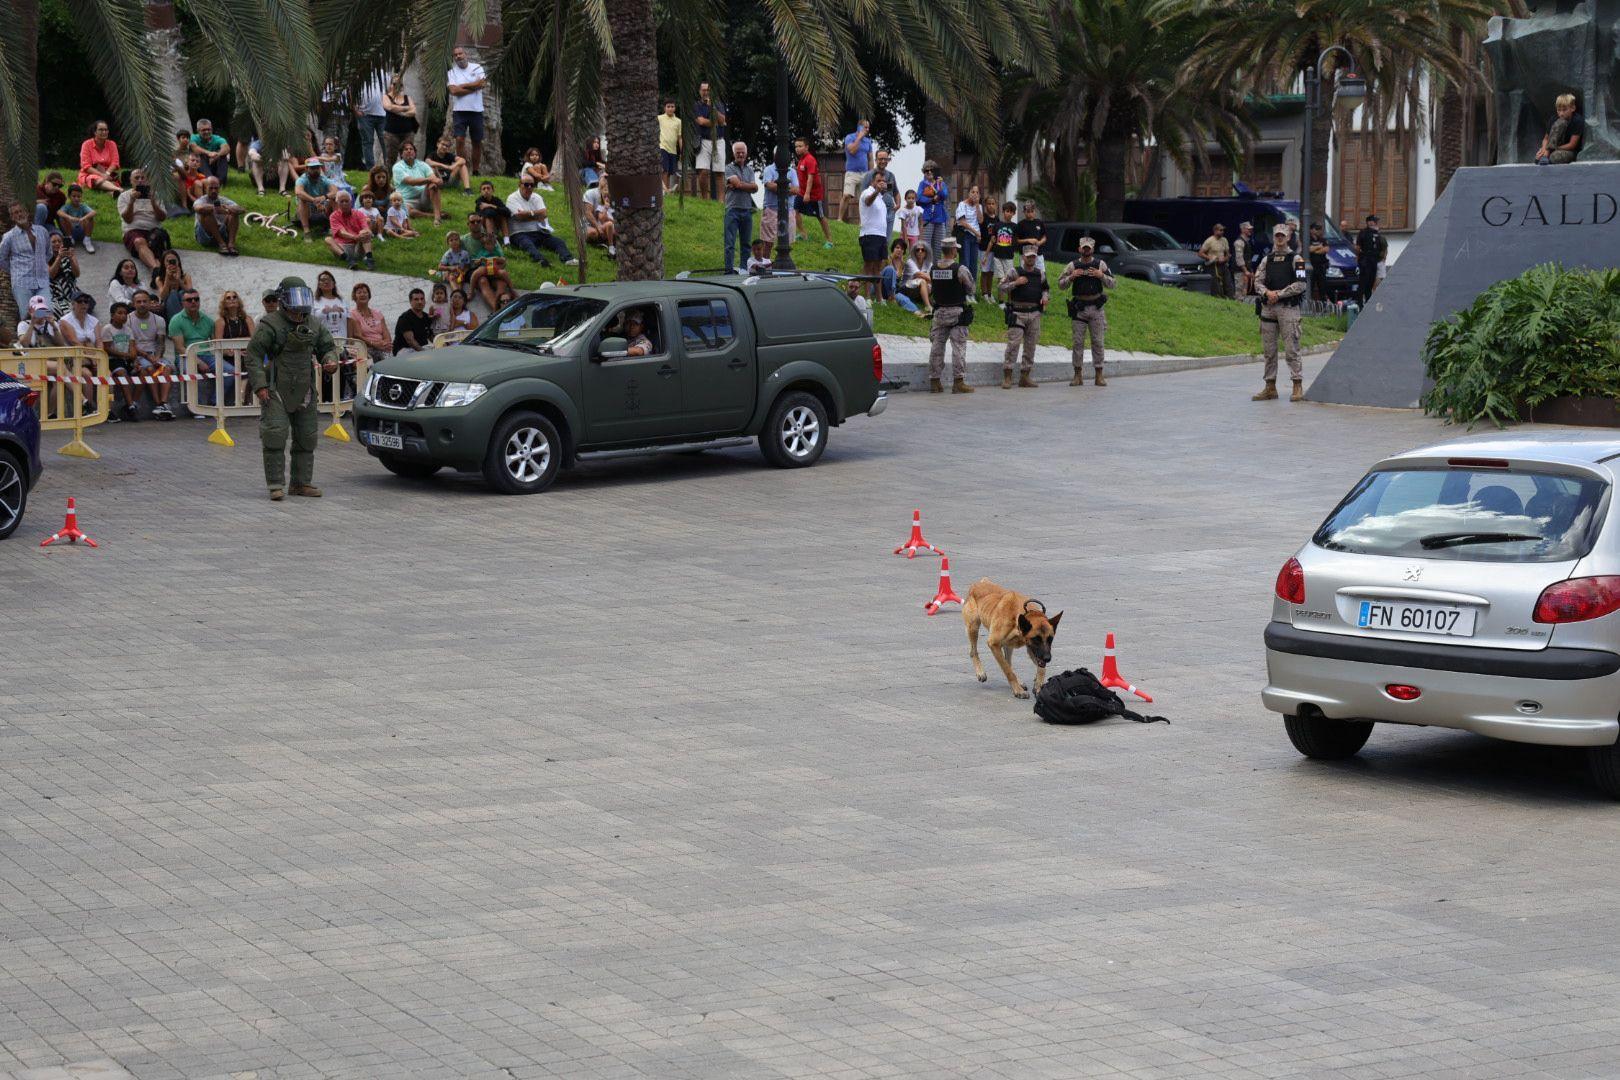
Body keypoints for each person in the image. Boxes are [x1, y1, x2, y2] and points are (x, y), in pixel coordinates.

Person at [246, 277, 341, 500]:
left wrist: (330, 360)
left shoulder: (314, 324)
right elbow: (253, 355)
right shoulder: (270, 324)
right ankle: (275, 485)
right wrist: (260, 385)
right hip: (276, 388)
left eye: (302, 297)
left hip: (305, 389)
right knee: (275, 434)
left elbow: (327, 346)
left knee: (307, 436)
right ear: (283, 300)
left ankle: (301, 483)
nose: (299, 305)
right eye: (294, 298)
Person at [1251, 224, 1308, 401]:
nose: (1280, 238)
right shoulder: (1266, 259)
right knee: (1269, 350)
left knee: (1291, 349)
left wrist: (1279, 294)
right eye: (1277, 235)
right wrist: (1267, 293)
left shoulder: (1297, 259)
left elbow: (1301, 284)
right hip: (1268, 308)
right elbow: (1257, 282)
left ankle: (1297, 385)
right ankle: (1270, 386)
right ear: (1274, 237)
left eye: (1283, 235)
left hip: (1288, 308)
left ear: (1289, 237)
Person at [1057, 235, 1114, 387]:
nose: (1086, 250)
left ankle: (1099, 375)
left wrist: (1101, 276)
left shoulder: (1100, 264)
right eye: (1084, 248)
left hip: (1096, 308)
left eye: (1088, 248)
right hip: (1079, 308)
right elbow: (1060, 284)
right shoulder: (1073, 265)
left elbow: (1113, 283)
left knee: (1098, 342)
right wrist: (1071, 277)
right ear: (1079, 249)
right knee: (1077, 343)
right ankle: (1077, 375)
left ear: (1093, 249)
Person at [927, 237, 976, 394]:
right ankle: (958, 382)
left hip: (939, 313)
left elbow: (932, 288)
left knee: (937, 347)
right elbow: (971, 289)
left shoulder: (933, 268)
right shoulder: (960, 269)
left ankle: (935, 381)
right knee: (959, 347)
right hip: (956, 313)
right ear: (954, 250)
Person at [999, 244, 1048, 389]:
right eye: (1028, 257)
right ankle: (1007, 376)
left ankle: (1025, 377)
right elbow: (1001, 287)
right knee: (1013, 344)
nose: (1031, 259)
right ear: (1023, 257)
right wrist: (1016, 283)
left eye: (1033, 256)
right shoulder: (1014, 271)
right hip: (1017, 312)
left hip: (1034, 313)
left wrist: (1045, 297)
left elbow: (1046, 289)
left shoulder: (1040, 273)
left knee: (1030, 346)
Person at [168, 287, 223, 414]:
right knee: (190, 371)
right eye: (189, 300)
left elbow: (215, 344)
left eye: (196, 299)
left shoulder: (208, 320)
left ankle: (214, 404)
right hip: (185, 356)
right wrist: (198, 362)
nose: (193, 302)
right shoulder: (176, 320)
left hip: (207, 355)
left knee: (230, 371)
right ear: (183, 303)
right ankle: (198, 409)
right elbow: (180, 348)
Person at [506, 176, 576, 266]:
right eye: (526, 185)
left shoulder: (537, 197)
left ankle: (568, 259)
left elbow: (544, 214)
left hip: (539, 232)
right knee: (528, 245)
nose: (529, 187)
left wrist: (528, 213)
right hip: (519, 233)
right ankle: (541, 261)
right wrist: (536, 215)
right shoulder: (512, 198)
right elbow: (520, 217)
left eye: (532, 185)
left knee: (559, 242)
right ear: (520, 185)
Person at [128, 289, 174, 419]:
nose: (142, 304)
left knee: (166, 368)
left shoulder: (159, 320)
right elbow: (131, 345)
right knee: (150, 369)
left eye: (145, 301)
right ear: (133, 304)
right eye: (139, 302)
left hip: (154, 355)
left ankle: (163, 403)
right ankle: (158, 403)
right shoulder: (128, 319)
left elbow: (161, 343)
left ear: (149, 302)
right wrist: (149, 357)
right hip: (137, 355)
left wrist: (157, 358)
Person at [2, 201, 52, 317]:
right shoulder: (9, 237)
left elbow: (48, 253)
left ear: (27, 213)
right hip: (22, 283)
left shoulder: (42, 231)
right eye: (15, 213)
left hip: (42, 281)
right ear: (12, 217)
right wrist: (14, 271)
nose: (19, 214)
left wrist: (41, 265)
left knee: (46, 315)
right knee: (27, 316)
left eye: (21, 211)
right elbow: (1, 258)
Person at [446, 46, 489, 173]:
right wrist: (474, 88)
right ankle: (462, 169)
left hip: (476, 111)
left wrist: (463, 85)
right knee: (459, 140)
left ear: (466, 54)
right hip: (459, 111)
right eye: (455, 55)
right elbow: (454, 91)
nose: (458, 56)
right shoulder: (451, 72)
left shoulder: (477, 67)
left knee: (477, 141)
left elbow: (482, 83)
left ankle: (475, 171)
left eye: (460, 53)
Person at [98, 301, 140, 421]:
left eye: (125, 313)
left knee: (142, 372)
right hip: (113, 360)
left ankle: (133, 402)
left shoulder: (128, 330)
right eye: (120, 313)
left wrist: (135, 359)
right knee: (122, 373)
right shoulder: (107, 329)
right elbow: (107, 349)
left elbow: (132, 346)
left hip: (126, 359)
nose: (123, 316)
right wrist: (126, 355)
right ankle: (131, 406)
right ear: (112, 315)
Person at [722, 141, 758, 274]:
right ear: (733, 153)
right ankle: (729, 271)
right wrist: (747, 186)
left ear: (746, 153)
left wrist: (739, 185)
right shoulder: (728, 168)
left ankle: (744, 270)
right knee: (729, 244)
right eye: (738, 152)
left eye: (742, 152)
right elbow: (743, 185)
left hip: (747, 210)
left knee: (746, 244)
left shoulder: (750, 170)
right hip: (732, 209)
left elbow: (755, 188)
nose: (740, 154)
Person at [463, 217, 512, 309]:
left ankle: (501, 306)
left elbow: (503, 261)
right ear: (468, 224)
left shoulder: (491, 238)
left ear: (482, 223)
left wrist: (497, 267)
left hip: (493, 267)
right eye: (472, 222)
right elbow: (454, 254)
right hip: (478, 269)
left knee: (502, 283)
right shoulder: (463, 240)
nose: (476, 223)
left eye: (478, 221)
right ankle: (496, 310)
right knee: (483, 281)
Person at [392, 141, 443, 225]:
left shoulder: (422, 164)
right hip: (407, 200)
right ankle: (431, 215)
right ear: (401, 154)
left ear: (415, 152)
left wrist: (437, 181)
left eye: (411, 149)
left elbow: (433, 178)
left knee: (433, 185)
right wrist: (431, 179)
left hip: (424, 197)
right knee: (407, 212)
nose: (409, 151)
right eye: (406, 149)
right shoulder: (397, 167)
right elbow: (412, 181)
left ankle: (437, 218)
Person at [794, 137, 832, 248]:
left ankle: (829, 241)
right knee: (794, 211)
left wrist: (807, 194)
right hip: (801, 192)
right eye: (796, 146)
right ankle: (803, 234)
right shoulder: (801, 160)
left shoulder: (810, 159)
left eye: (800, 146)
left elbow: (810, 178)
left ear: (806, 147)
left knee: (820, 217)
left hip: (814, 195)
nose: (797, 148)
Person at [857, 170, 890, 298]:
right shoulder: (867, 192)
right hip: (869, 235)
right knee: (869, 267)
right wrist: (877, 191)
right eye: (879, 181)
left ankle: (880, 298)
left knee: (878, 268)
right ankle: (867, 297)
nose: (882, 183)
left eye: (884, 181)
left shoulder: (881, 198)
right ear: (872, 182)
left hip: (881, 236)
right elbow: (868, 202)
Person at [693, 82, 727, 200]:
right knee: (703, 171)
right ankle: (705, 199)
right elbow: (701, 121)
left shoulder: (718, 104)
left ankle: (721, 201)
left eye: (708, 90)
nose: (706, 92)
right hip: (703, 141)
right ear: (699, 91)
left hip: (719, 141)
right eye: (703, 90)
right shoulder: (696, 105)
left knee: (719, 172)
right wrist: (716, 123)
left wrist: (712, 107)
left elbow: (722, 120)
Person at [193, 176, 242, 256]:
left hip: (221, 231)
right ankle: (222, 244)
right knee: (207, 212)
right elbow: (198, 208)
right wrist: (216, 208)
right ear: (206, 188)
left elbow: (241, 209)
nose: (214, 190)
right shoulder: (201, 200)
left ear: (219, 188)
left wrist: (226, 209)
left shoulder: (223, 200)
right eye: (211, 188)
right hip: (205, 235)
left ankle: (231, 245)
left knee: (234, 213)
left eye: (216, 188)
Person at [327, 190, 376, 270]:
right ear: (337, 203)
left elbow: (366, 227)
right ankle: (348, 260)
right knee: (328, 239)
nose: (344, 204)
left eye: (346, 201)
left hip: (358, 245)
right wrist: (355, 237)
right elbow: (341, 232)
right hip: (343, 247)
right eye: (341, 201)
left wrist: (367, 232)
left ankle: (369, 259)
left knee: (365, 232)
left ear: (351, 202)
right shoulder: (333, 216)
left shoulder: (358, 213)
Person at [838, 119, 873, 222]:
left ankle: (862, 222)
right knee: (846, 195)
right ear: (859, 127)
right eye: (865, 127)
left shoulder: (868, 141)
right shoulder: (850, 137)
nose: (867, 129)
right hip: (852, 172)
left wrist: (871, 174)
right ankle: (840, 219)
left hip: (864, 173)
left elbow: (870, 159)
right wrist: (859, 138)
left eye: (868, 127)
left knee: (863, 198)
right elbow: (852, 151)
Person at [861, 148, 899, 240]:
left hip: (890, 212)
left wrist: (898, 204)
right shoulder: (869, 175)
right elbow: (863, 195)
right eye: (880, 159)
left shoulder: (891, 175)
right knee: (878, 240)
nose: (883, 161)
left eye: (885, 159)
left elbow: (895, 192)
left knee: (887, 240)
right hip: (876, 213)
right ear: (876, 160)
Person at [1537, 93, 1585, 165]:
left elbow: (1572, 145)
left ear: (1573, 108)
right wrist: (1543, 150)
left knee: (1555, 157)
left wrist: (1554, 149)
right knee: (1538, 157)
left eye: (1564, 110)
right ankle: (1545, 156)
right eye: (1559, 110)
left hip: (1569, 150)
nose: (1561, 113)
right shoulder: (1554, 119)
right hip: (1551, 149)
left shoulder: (1577, 120)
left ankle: (1547, 156)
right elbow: (1546, 139)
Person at [355, 72, 389, 170]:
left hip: (383, 113)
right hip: (364, 114)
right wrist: (355, 110)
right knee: (367, 141)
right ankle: (371, 168)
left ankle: (389, 166)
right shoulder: (360, 72)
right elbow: (351, 91)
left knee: (386, 141)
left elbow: (390, 90)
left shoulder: (384, 73)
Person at [347, 282, 390, 359]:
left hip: (382, 347)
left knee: (389, 358)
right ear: (354, 297)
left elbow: (387, 335)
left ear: (369, 295)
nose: (362, 294)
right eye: (359, 293)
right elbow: (358, 336)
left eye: (365, 292)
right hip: (366, 349)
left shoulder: (378, 313)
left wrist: (385, 344)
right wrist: (375, 344)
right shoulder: (352, 314)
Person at [917, 161, 950, 261]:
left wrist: (939, 185)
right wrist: (931, 200)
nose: (929, 172)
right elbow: (919, 199)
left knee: (938, 247)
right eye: (927, 170)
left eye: (932, 170)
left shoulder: (941, 183)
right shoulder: (922, 184)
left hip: (940, 218)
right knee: (926, 246)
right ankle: (926, 268)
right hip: (928, 218)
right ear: (924, 172)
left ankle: (936, 268)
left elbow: (944, 195)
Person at [760, 156, 797, 246]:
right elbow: (770, 186)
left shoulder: (792, 171)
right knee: (768, 243)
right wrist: (788, 188)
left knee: (787, 243)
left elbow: (796, 190)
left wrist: (778, 186)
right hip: (771, 210)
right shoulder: (769, 169)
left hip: (789, 210)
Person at [78, 120, 122, 194]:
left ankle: (113, 192)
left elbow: (115, 163)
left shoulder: (112, 144)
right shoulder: (86, 144)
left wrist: (107, 174)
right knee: (94, 179)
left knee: (101, 182)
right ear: (95, 132)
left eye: (106, 130)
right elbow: (86, 166)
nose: (104, 132)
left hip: (108, 174)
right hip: (90, 174)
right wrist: (102, 175)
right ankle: (119, 190)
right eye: (101, 130)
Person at [880, 239, 921, 315]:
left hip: (894, 291)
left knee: (904, 299)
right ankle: (891, 297)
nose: (899, 250)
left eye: (902, 249)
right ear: (893, 248)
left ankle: (918, 312)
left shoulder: (903, 264)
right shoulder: (886, 259)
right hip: (882, 289)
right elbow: (879, 275)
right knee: (890, 269)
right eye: (897, 247)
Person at [295, 157, 334, 236]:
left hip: (323, 207)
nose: (315, 170)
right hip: (306, 210)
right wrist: (314, 200)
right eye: (312, 168)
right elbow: (298, 192)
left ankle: (334, 227)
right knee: (303, 200)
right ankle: (307, 231)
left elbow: (335, 191)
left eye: (317, 167)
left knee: (335, 198)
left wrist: (324, 197)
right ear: (306, 169)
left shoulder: (324, 179)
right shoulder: (301, 179)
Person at [985, 201, 1018, 292]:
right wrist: (986, 256)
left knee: (1009, 279)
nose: (1009, 214)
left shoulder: (1015, 227)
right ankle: (1001, 299)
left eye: (1011, 212)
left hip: (1009, 257)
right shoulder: (997, 225)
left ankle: (1010, 299)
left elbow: (1018, 240)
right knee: (1000, 279)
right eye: (1007, 211)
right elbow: (991, 241)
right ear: (1003, 212)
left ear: (1014, 213)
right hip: (997, 257)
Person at [953, 185, 983, 283]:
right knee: (965, 262)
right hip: (965, 235)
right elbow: (962, 222)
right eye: (973, 192)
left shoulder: (979, 206)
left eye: (977, 192)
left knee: (974, 263)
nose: (975, 194)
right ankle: (964, 287)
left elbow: (980, 220)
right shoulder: (962, 204)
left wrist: (977, 205)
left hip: (975, 238)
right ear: (969, 193)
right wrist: (977, 233)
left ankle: (972, 288)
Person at [1353, 214, 1385, 305]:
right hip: (1365, 261)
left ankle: (1368, 303)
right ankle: (1359, 304)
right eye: (1375, 221)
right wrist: (1358, 258)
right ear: (1369, 222)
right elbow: (1358, 247)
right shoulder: (1363, 232)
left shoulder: (1377, 233)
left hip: (1373, 261)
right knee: (1363, 283)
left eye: (1376, 222)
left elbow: (1381, 247)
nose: (1376, 223)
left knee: (1370, 283)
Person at [55, 184, 97, 253]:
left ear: (81, 197)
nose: (76, 198)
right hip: (71, 231)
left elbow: (93, 212)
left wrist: (83, 218)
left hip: (82, 231)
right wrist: (70, 217)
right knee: (63, 218)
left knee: (90, 218)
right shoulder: (67, 206)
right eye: (74, 196)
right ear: (69, 196)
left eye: (79, 196)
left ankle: (87, 240)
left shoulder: (83, 206)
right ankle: (70, 239)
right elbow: (59, 212)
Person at [393, 288, 436, 354]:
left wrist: (440, 344)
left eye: (422, 299)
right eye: (416, 299)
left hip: (422, 348)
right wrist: (424, 353)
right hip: (404, 350)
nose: (420, 302)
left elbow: (431, 336)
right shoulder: (404, 318)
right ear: (410, 302)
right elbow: (410, 341)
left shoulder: (426, 317)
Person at [581, 178, 617, 257]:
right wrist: (606, 209)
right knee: (606, 226)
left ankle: (609, 245)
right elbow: (601, 218)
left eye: (608, 196)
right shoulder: (601, 206)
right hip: (600, 225)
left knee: (614, 230)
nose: (607, 198)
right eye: (605, 196)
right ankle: (608, 244)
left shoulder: (612, 205)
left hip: (608, 226)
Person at [46, 233, 79, 316]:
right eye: (53, 242)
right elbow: (51, 275)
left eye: (59, 241)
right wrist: (59, 257)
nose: (57, 243)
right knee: (58, 311)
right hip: (56, 295)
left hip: (72, 292)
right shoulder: (45, 258)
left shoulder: (70, 255)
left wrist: (71, 258)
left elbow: (77, 274)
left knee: (84, 304)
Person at [152, 250, 191, 319]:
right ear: (163, 263)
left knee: (182, 292)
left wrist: (179, 280)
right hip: (168, 306)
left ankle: (182, 320)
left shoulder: (186, 276)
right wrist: (167, 278)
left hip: (184, 305)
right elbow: (163, 297)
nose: (171, 263)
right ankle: (181, 321)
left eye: (173, 260)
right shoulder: (159, 279)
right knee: (173, 293)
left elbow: (191, 294)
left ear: (178, 262)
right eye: (168, 261)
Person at [190, 119, 230, 184]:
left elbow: (226, 148)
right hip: (200, 167)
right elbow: (194, 148)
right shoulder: (193, 137)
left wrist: (217, 155)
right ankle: (210, 179)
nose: (207, 132)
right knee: (199, 155)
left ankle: (220, 181)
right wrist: (209, 153)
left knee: (223, 156)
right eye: (203, 130)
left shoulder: (217, 138)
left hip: (213, 164)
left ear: (212, 129)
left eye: (209, 129)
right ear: (198, 131)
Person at [657, 100, 682, 194]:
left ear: (675, 108)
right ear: (664, 108)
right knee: (664, 170)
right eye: (668, 106)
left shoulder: (678, 121)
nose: (670, 108)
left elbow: (680, 137)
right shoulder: (659, 118)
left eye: (672, 106)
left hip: (673, 150)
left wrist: (682, 151)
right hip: (662, 147)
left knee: (670, 172)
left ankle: (666, 191)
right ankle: (664, 191)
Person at [1200, 223, 1230, 299]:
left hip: (1223, 265)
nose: (1222, 232)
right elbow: (1200, 253)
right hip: (1213, 266)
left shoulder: (1224, 240)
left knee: (1228, 283)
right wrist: (1210, 258)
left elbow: (1228, 253)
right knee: (1216, 286)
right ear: (1215, 231)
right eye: (1220, 230)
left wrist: (1225, 259)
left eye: (1223, 230)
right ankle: (1217, 299)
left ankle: (1230, 299)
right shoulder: (1209, 241)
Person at [903, 242, 933, 314]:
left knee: (931, 283)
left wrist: (931, 280)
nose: (920, 251)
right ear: (914, 252)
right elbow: (918, 274)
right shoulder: (910, 262)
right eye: (917, 250)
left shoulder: (929, 264)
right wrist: (932, 279)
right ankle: (928, 307)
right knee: (923, 281)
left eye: (923, 250)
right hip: (906, 288)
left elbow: (931, 278)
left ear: (926, 252)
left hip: (920, 288)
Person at [1306, 223, 1330, 303]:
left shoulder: (1322, 239)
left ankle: (1324, 305)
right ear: (1311, 230)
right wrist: (1319, 247)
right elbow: (1309, 249)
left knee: (1323, 287)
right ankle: (1308, 305)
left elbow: (1326, 249)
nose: (1319, 231)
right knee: (1310, 287)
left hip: (1321, 266)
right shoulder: (1308, 239)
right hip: (1311, 267)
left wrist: (1315, 250)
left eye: (1319, 229)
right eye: (1316, 229)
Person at [1232, 221, 1256, 297]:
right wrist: (1245, 270)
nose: (1250, 231)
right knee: (1239, 293)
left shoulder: (1247, 241)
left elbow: (1248, 258)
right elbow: (1239, 258)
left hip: (1246, 271)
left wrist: (1250, 271)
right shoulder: (1239, 242)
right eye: (1248, 229)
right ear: (1242, 230)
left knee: (1244, 292)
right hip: (1240, 272)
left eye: (1250, 229)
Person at [896, 189, 922, 254]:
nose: (911, 200)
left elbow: (921, 224)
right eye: (909, 198)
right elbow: (903, 226)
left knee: (913, 253)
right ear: (905, 199)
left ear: (915, 199)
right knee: (901, 252)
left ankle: (911, 261)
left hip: (915, 234)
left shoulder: (919, 209)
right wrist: (905, 238)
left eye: (913, 198)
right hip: (904, 234)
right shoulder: (903, 210)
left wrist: (920, 237)